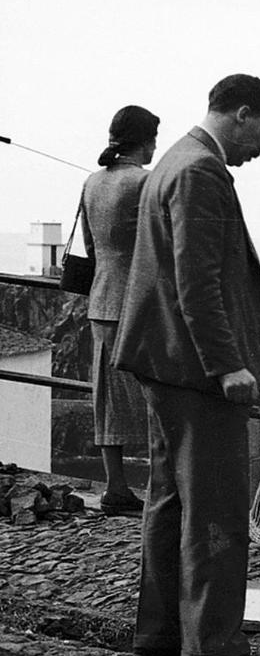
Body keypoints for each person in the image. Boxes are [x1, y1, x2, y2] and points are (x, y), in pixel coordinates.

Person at [113, 74, 260, 656]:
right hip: (195, 372)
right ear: (240, 114)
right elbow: (197, 281)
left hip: (163, 365)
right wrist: (228, 364)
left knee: (168, 502)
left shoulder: (174, 162)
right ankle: (212, 646)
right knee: (216, 508)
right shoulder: (201, 172)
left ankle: (158, 636)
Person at [79, 105, 159, 516]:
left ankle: (116, 486)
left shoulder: (93, 182)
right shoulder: (144, 183)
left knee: (108, 397)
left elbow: (93, 249)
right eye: (153, 139)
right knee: (158, 395)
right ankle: (164, 488)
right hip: (139, 305)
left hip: (101, 300)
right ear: (143, 141)